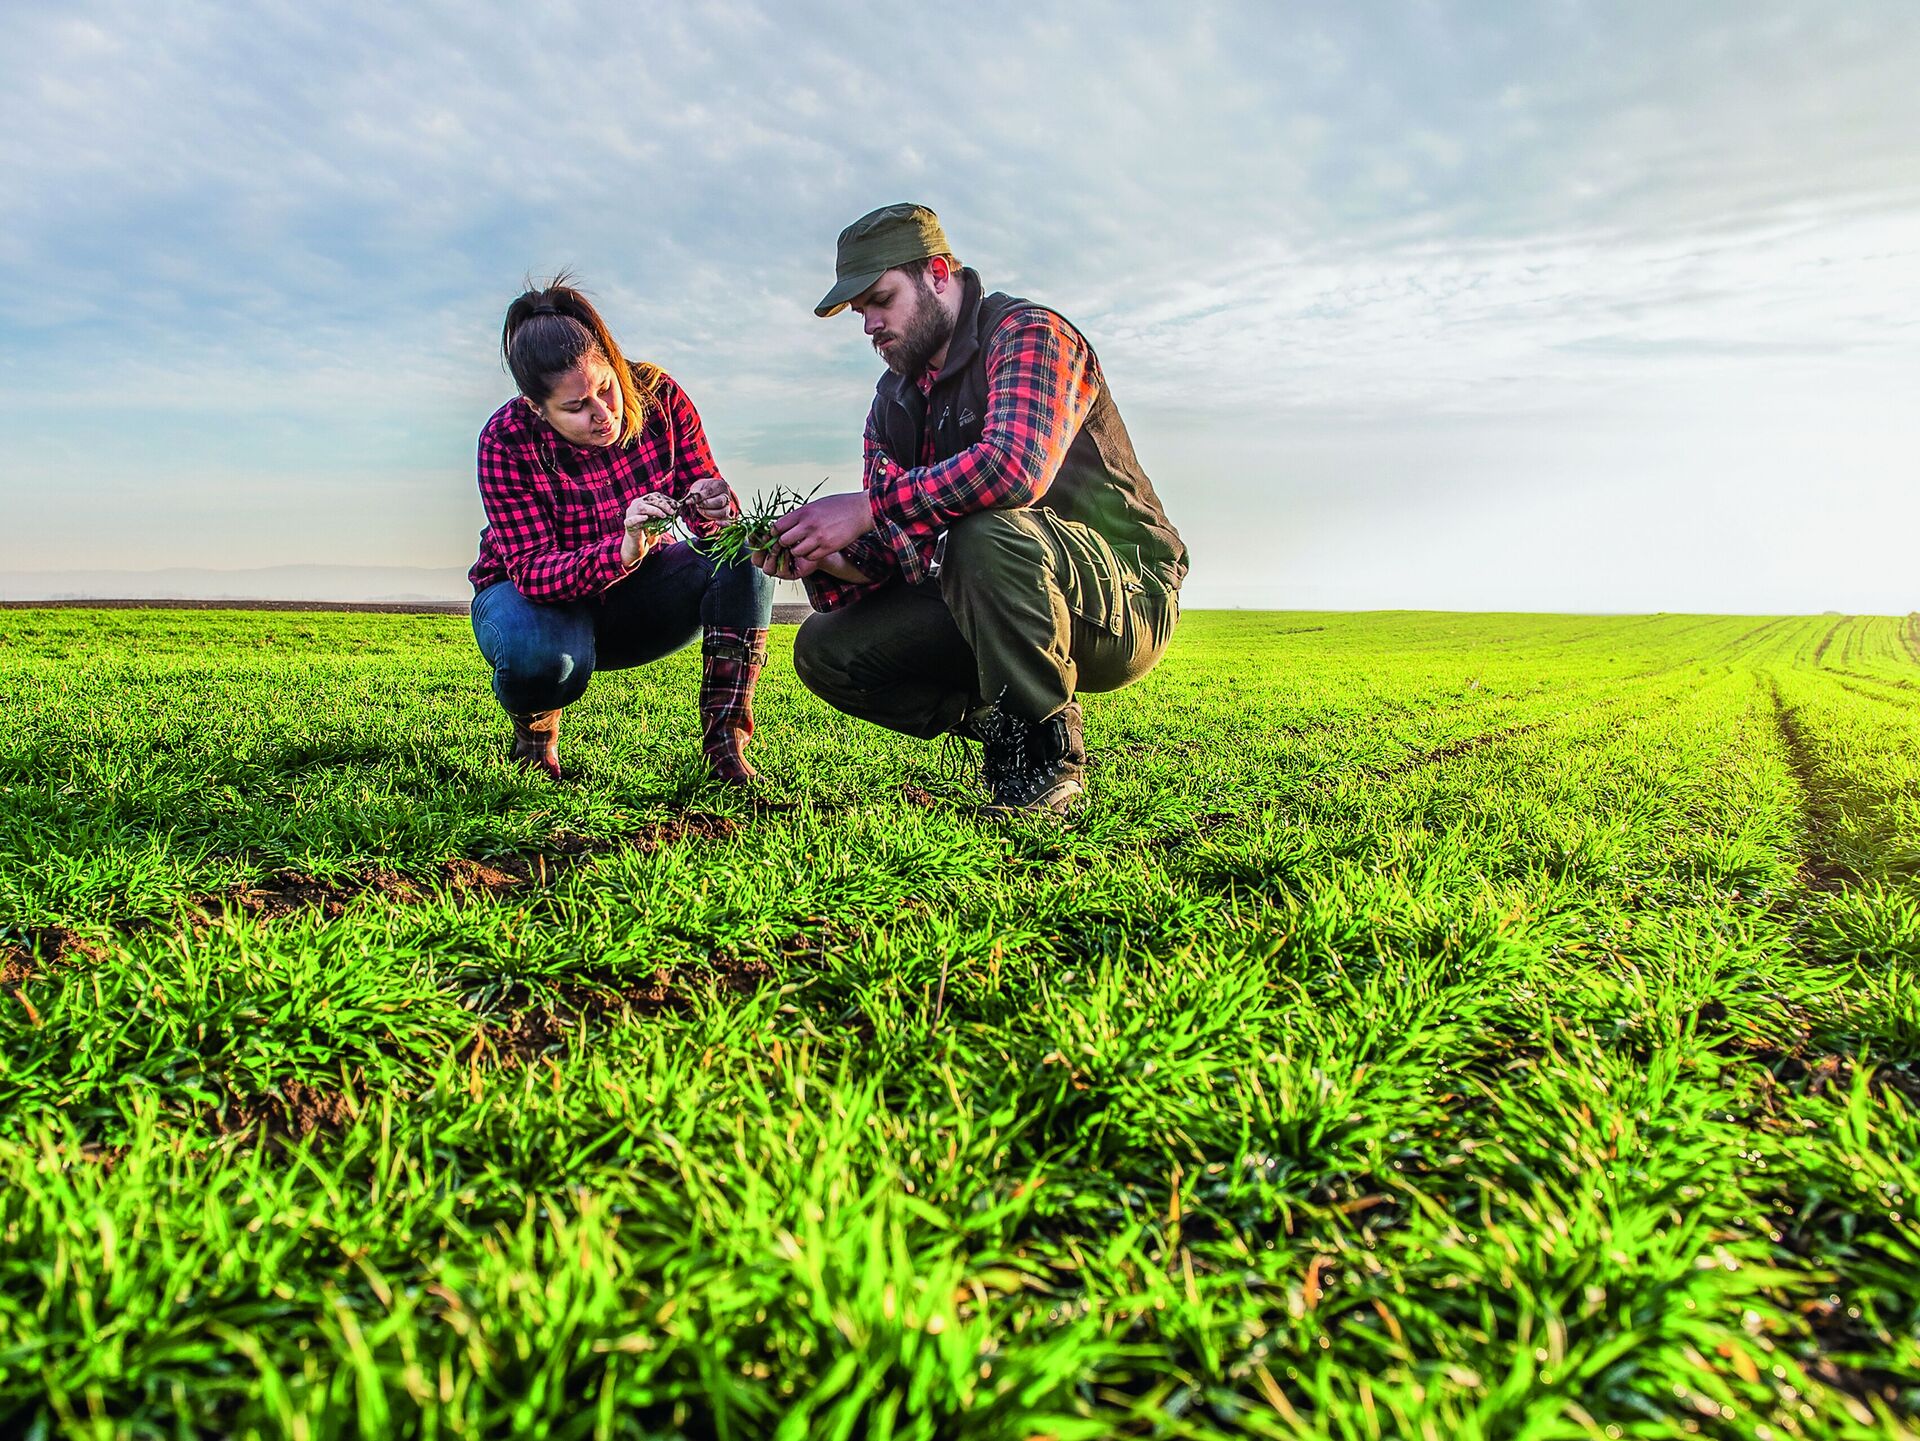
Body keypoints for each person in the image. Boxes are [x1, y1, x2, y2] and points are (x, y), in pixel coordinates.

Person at [757, 204, 1186, 813]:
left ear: (937, 273)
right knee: (825, 648)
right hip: (985, 596)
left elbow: (1014, 469)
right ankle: (1002, 723)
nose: (869, 326)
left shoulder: (1029, 335)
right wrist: (820, 557)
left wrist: (869, 509)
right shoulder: (892, 403)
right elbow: (888, 552)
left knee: (983, 530)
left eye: (881, 300)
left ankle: (1044, 758)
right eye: (860, 313)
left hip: (1123, 598)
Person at [468, 277, 773, 783]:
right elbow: (531, 572)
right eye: (575, 407)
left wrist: (714, 505)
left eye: (605, 387)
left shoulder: (660, 397)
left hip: (641, 596)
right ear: (536, 408)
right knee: (545, 658)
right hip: (536, 600)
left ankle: (726, 744)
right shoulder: (504, 442)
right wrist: (624, 546)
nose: (604, 413)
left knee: (741, 555)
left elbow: (707, 515)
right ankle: (536, 732)